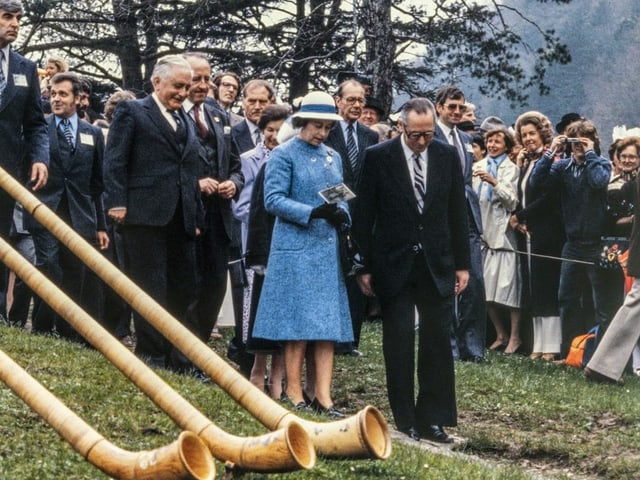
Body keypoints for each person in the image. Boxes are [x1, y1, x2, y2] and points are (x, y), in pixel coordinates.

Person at [353, 97, 470, 443]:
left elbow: (456, 214)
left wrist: (462, 265)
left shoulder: (446, 156)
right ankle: (406, 419)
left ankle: (433, 417)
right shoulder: (378, 157)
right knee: (399, 340)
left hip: (437, 262)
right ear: (401, 126)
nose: (422, 142)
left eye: (428, 135)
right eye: (415, 134)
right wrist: (363, 265)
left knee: (436, 340)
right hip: (393, 262)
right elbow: (364, 215)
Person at [252, 91, 353, 418]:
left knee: (326, 328)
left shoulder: (332, 156)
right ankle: (294, 392)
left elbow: (342, 197)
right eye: (316, 126)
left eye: (326, 127)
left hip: (326, 249)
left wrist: (341, 215)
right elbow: (273, 200)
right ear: (301, 123)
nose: (321, 133)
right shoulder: (283, 155)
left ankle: (323, 396)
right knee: (296, 327)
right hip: (295, 247)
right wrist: (313, 212)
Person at [104, 54, 201, 372]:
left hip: (181, 218)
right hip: (143, 216)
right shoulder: (132, 111)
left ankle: (179, 357)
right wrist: (117, 201)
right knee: (150, 288)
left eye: (187, 87)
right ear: (156, 81)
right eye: (177, 85)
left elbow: (190, 171)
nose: (183, 92)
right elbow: (115, 159)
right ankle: (152, 355)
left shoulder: (185, 119)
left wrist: (196, 217)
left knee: (183, 288)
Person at [28, 72, 108, 340]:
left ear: (78, 99)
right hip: (45, 209)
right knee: (50, 266)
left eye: (63, 94)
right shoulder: (39, 127)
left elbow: (98, 184)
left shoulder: (93, 134)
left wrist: (101, 226)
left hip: (81, 215)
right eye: (53, 93)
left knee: (75, 272)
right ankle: (41, 327)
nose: (56, 99)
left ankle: (66, 330)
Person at [529, 119, 613, 359]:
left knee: (600, 303)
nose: (577, 145)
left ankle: (601, 357)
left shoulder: (601, 164)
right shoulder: (563, 167)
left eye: (582, 140)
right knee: (566, 299)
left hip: (596, 244)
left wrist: (589, 153)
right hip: (572, 244)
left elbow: (599, 182)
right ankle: (569, 353)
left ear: (593, 141)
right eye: (574, 140)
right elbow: (537, 182)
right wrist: (550, 152)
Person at [182, 52, 244, 344]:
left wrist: (233, 183)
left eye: (208, 78)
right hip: (185, 215)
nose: (203, 85)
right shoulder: (172, 114)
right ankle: (181, 352)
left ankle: (200, 347)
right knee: (188, 286)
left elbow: (235, 166)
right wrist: (196, 183)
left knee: (215, 285)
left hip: (219, 218)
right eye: (197, 78)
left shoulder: (218, 116)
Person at [233, 104, 290, 398]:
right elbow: (244, 206)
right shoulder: (252, 160)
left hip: (290, 245)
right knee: (257, 308)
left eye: (281, 131)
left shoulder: (294, 158)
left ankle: (278, 376)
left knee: (284, 313)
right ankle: (256, 369)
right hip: (258, 239)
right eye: (269, 130)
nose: (274, 136)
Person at [0, 0, 49, 321]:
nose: (15, 23)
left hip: (8, 173)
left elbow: (35, 124)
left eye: (19, 18)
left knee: (3, 242)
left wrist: (39, 158)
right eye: (7, 17)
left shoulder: (25, 68)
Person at [325, 79, 379, 356]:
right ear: (338, 100)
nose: (357, 105)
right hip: (332, 215)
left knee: (358, 276)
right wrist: (346, 198)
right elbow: (322, 182)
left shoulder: (369, 137)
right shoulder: (327, 131)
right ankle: (330, 339)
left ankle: (351, 341)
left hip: (362, 220)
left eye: (361, 101)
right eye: (351, 100)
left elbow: (370, 180)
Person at [434, 85, 486, 363]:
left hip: (467, 215)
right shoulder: (430, 137)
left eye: (460, 107)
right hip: (441, 217)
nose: (456, 112)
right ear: (439, 107)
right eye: (451, 106)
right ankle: (450, 347)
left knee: (474, 282)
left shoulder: (466, 140)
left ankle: (473, 347)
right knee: (446, 283)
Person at [510, 111, 564, 361]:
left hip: (549, 232)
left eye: (532, 133)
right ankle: (538, 345)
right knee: (535, 288)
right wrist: (521, 219)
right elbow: (523, 194)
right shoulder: (528, 161)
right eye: (524, 135)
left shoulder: (552, 159)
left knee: (547, 286)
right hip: (531, 232)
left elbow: (548, 198)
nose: (528, 138)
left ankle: (551, 347)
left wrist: (521, 215)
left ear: (543, 133)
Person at [473, 128, 522, 354]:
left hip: (502, 237)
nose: (492, 145)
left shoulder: (511, 169)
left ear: (507, 146)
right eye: (489, 141)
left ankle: (515, 336)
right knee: (485, 291)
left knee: (509, 289)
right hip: (482, 235)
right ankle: (500, 333)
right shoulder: (477, 166)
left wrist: (494, 182)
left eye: (497, 142)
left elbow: (512, 202)